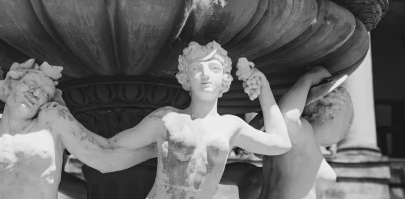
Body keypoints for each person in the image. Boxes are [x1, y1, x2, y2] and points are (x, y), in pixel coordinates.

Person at [97, 41, 292, 199]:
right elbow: (110, 145)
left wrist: (264, 87)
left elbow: (281, 144)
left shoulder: (231, 125)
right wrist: (65, 120)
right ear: (186, 78)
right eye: (197, 68)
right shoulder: (167, 118)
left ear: (225, 78)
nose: (205, 75)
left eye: (214, 68)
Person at [0, 58, 156, 199]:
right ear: (12, 84)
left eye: (43, 93)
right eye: (31, 85)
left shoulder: (50, 122)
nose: (35, 94)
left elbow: (105, 160)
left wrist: (158, 150)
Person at [257, 67, 354, 199]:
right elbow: (287, 118)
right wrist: (308, 79)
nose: (348, 123)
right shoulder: (302, 135)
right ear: (329, 113)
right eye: (347, 116)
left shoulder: (297, 141)